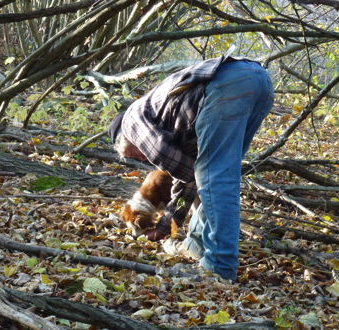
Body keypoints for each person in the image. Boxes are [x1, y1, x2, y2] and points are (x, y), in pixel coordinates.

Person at [109, 55, 274, 281]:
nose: (141, 158)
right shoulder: (159, 114)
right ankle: (196, 246)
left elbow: (169, 161)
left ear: (125, 139)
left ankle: (218, 268)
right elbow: (187, 175)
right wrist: (168, 223)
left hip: (225, 85)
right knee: (217, 176)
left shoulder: (131, 122)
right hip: (259, 82)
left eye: (133, 154)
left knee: (215, 181)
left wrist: (197, 182)